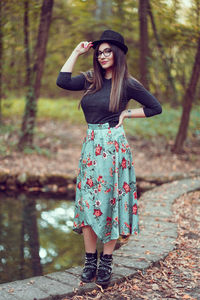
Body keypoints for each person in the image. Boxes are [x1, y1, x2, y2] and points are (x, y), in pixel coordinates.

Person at [56, 29, 162, 286]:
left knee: (110, 203)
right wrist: (77, 52)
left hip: (114, 149)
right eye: (99, 52)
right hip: (91, 148)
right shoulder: (91, 79)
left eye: (107, 51)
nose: (102, 56)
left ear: (117, 54)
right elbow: (62, 80)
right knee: (87, 204)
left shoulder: (127, 83)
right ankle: (90, 260)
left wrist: (126, 114)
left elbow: (155, 107)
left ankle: (106, 261)